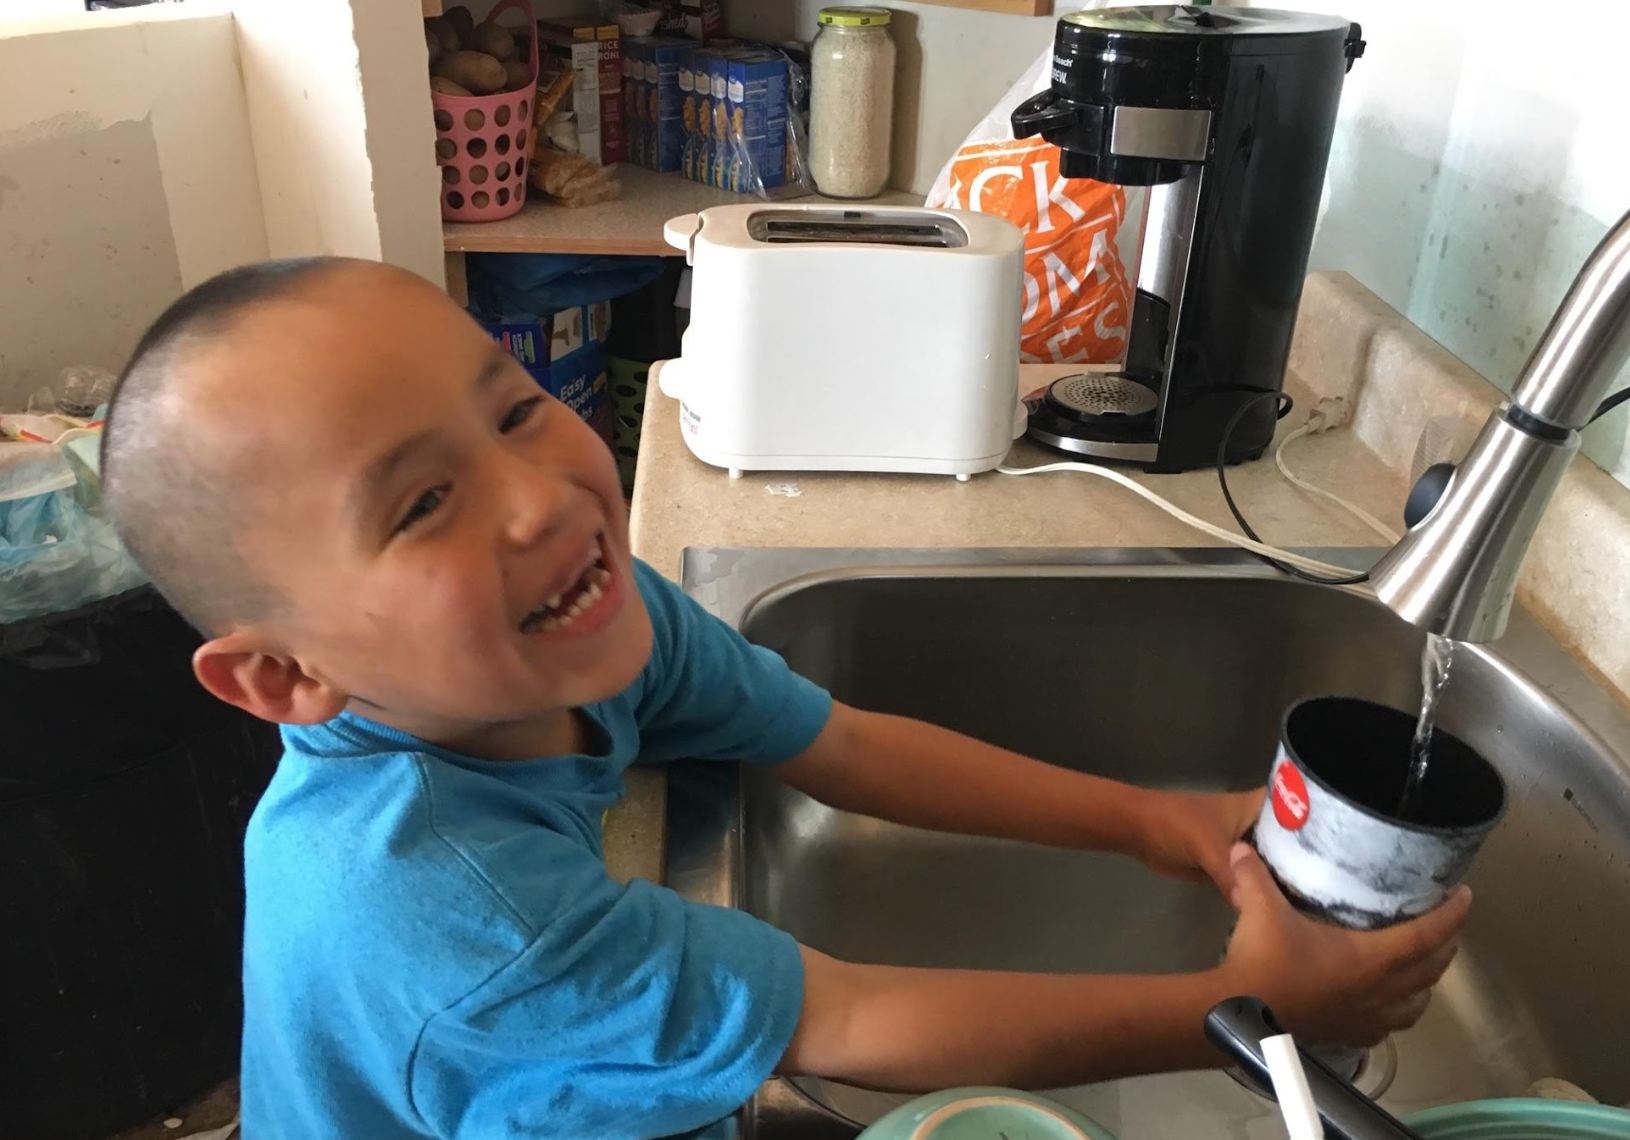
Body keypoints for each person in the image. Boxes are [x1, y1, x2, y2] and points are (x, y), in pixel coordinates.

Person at [100, 257, 1471, 1140]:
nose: (538, 500)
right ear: (286, 676)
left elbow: (839, 741)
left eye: (513, 408)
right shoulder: (460, 918)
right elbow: (850, 1022)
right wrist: (1236, 1011)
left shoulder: (587, 629)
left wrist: (1161, 825)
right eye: (419, 504)